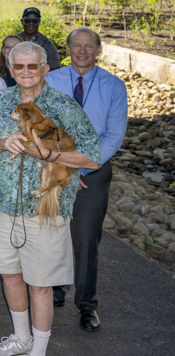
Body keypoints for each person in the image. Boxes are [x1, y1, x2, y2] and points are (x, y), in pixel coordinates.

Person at [0, 41, 100, 356]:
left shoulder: (63, 105)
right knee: (10, 275)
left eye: (33, 67)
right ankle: (21, 338)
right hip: (2, 205)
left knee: (40, 284)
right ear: (10, 70)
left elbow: (91, 157)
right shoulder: (0, 101)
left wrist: (42, 150)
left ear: (45, 69)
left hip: (45, 210)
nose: (26, 73)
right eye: (19, 67)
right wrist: (1, 144)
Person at [46, 28, 127, 332]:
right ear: (67, 48)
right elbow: (44, 127)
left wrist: (81, 168)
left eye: (89, 46)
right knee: (53, 232)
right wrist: (62, 166)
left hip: (94, 172)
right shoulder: (51, 80)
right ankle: (54, 288)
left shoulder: (113, 86)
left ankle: (87, 305)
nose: (82, 51)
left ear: (98, 50)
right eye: (76, 46)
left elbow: (114, 135)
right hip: (55, 168)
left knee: (86, 237)